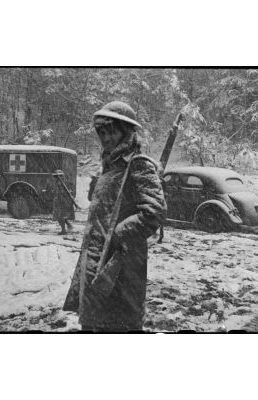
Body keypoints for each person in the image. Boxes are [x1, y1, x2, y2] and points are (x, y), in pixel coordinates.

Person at [63, 101, 167, 332]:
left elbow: (155, 211)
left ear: (126, 132)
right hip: (96, 257)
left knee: (117, 324)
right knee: (94, 323)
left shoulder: (138, 164)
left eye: (112, 132)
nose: (106, 138)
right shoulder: (110, 165)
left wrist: (121, 234)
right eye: (102, 133)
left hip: (121, 263)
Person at [52, 170, 75, 235]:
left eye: (56, 176)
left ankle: (63, 230)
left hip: (62, 203)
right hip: (63, 202)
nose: (55, 178)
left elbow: (61, 194)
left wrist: (59, 200)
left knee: (60, 217)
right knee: (62, 216)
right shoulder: (62, 183)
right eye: (55, 176)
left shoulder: (61, 184)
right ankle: (69, 225)